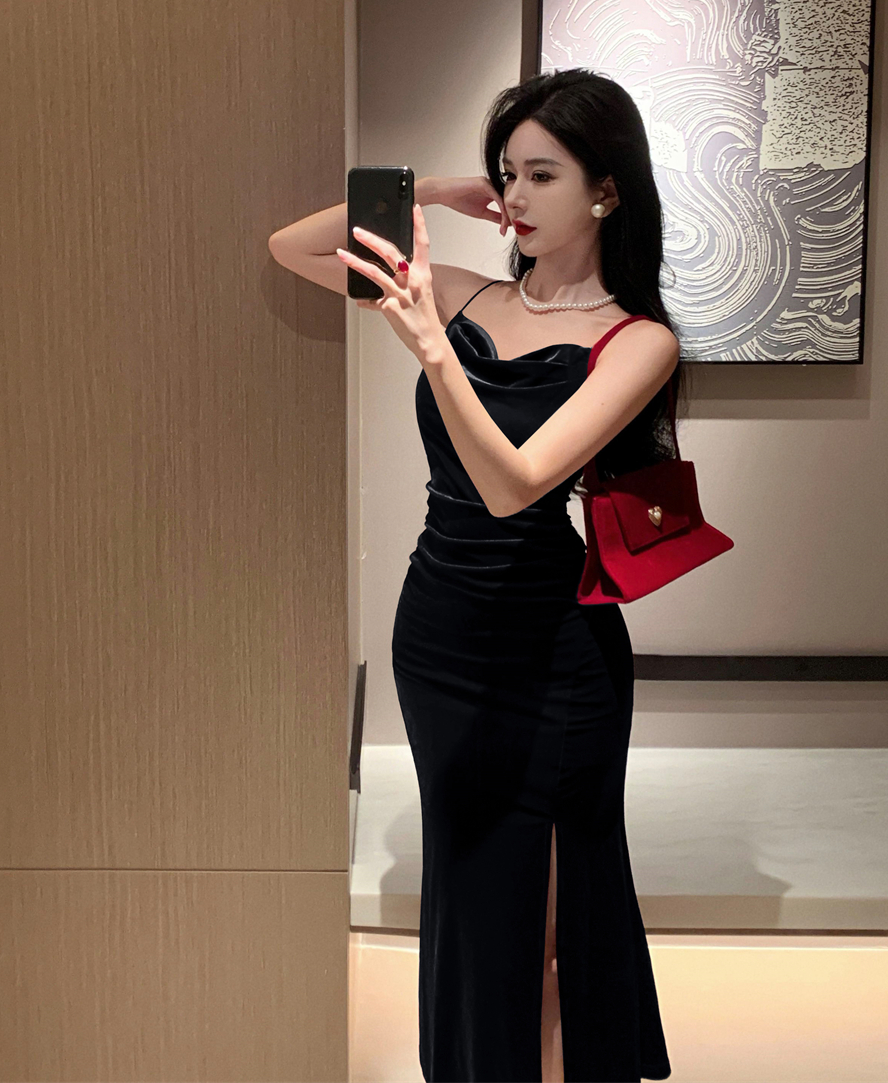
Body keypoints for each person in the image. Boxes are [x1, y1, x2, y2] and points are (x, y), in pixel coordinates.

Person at [269, 68, 682, 1082]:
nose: (517, 196)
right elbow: (293, 247)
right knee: (473, 895)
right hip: (439, 636)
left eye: (543, 174)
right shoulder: (466, 292)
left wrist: (433, 352)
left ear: (607, 190)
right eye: (509, 173)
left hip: (553, 655)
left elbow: (517, 485)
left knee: (549, 918)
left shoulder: (637, 341)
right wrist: (432, 190)